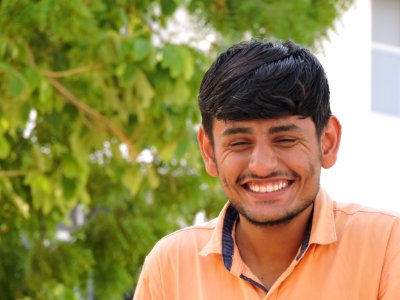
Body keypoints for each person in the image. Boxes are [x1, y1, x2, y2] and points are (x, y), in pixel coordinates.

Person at [133, 40, 400, 299]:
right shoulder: (171, 266)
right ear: (209, 151)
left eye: (285, 140)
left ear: (327, 142)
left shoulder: (387, 245)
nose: (262, 165)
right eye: (239, 143)